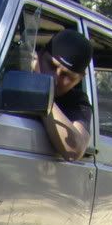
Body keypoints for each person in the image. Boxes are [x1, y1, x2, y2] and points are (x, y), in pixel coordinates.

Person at [34, 29, 93, 161]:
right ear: (39, 55)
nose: (54, 78)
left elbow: (74, 151)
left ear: (80, 79)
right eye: (51, 65)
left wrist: (38, 84)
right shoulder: (13, 74)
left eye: (66, 75)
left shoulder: (76, 101)